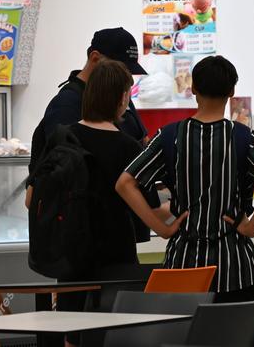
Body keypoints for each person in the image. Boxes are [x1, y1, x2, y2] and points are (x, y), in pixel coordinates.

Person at [27, 60, 185, 347]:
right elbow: (150, 207)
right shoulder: (127, 147)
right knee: (114, 336)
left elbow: (32, 198)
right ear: (121, 97)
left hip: (70, 257)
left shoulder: (63, 138)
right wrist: (172, 223)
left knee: (71, 337)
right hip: (116, 258)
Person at [116, 55, 254, 302]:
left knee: (185, 338)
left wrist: (161, 228)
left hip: (184, 264)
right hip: (235, 266)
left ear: (193, 88)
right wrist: (252, 226)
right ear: (232, 91)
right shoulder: (243, 137)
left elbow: (125, 183)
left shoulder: (170, 136)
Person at [27, 27, 156, 242]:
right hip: (85, 233)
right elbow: (67, 170)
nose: (123, 80)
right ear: (95, 58)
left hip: (123, 229)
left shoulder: (120, 96)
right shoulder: (65, 106)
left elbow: (140, 139)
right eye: (119, 68)